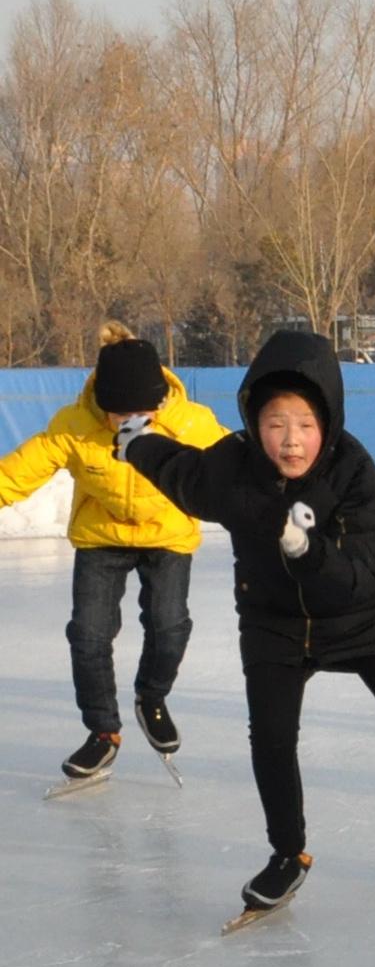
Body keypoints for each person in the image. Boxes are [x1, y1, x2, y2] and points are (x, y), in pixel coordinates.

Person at [117, 328, 375, 913]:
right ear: (253, 424)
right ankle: (288, 853)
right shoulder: (234, 468)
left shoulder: (354, 473)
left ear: (327, 423)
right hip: (274, 623)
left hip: (366, 616)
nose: (291, 442)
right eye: (276, 425)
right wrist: (135, 444)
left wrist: (302, 549)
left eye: (305, 426)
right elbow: (182, 475)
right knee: (271, 738)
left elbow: (352, 577)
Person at [0, 321, 226, 782]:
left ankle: (151, 695)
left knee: (170, 625)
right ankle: (103, 731)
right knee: (87, 635)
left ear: (160, 402)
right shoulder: (75, 426)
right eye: (119, 417)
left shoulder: (190, 422)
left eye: (140, 415)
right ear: (101, 406)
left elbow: (234, 468)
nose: (129, 425)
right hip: (102, 537)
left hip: (167, 534)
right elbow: (18, 472)